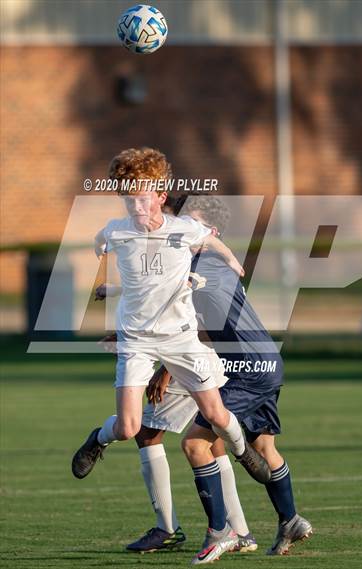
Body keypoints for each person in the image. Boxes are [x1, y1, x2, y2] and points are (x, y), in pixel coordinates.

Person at [71, 148, 270, 565]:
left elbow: (210, 242)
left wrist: (233, 262)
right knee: (128, 427)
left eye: (142, 197)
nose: (136, 206)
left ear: (161, 196)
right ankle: (98, 439)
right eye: (128, 198)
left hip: (182, 341)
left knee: (217, 416)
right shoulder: (117, 229)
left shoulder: (183, 229)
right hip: (138, 342)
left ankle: (243, 452)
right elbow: (104, 240)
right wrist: (101, 257)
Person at [128, 194, 312, 561]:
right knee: (264, 449)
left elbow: (186, 322)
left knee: (195, 446)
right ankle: (289, 519)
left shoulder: (201, 268)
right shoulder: (208, 262)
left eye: (190, 224)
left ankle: (222, 531)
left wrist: (156, 358)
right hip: (264, 364)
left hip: (246, 370)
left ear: (209, 231)